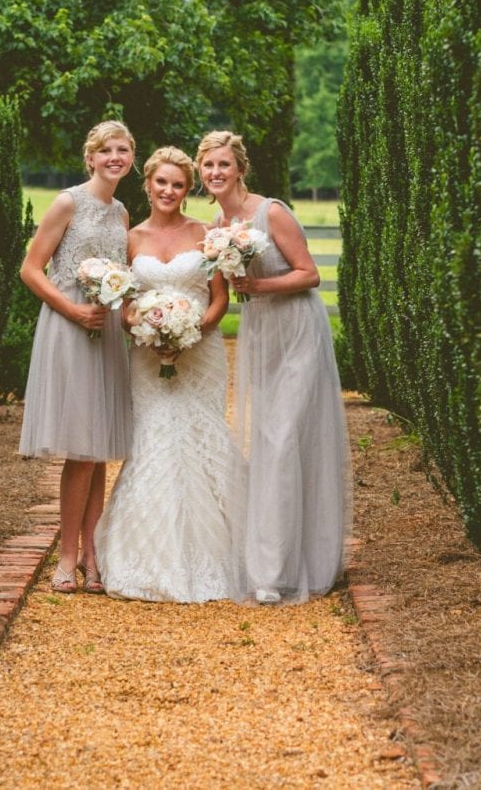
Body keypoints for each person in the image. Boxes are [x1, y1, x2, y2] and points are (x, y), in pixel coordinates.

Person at [197, 130, 349, 605]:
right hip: (261, 333)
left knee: (285, 439)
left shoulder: (272, 212)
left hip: (297, 330)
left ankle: (280, 569)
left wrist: (258, 288)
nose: (216, 173)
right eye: (208, 167)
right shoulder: (216, 223)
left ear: (240, 168)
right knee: (265, 440)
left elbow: (311, 274)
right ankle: (271, 559)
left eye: (223, 165)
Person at [93, 146, 246, 602]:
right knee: (155, 439)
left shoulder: (206, 233)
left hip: (201, 353)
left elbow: (220, 298)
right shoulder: (130, 238)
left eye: (178, 184)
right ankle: (147, 555)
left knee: (201, 436)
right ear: (148, 184)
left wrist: (192, 330)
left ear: (188, 189)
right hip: (145, 353)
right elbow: (117, 296)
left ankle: (225, 552)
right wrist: (144, 330)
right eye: (161, 182)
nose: (169, 191)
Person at [19, 121, 136, 593]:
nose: (114, 157)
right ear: (89, 158)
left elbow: (123, 281)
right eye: (105, 150)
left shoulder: (123, 212)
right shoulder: (68, 202)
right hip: (69, 325)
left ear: (132, 158)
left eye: (123, 150)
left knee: (100, 446)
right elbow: (30, 268)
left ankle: (92, 551)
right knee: (81, 448)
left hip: (106, 330)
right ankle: (66, 557)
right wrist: (70, 309)